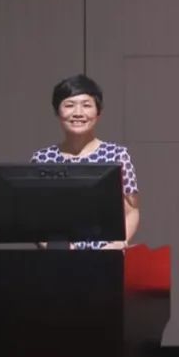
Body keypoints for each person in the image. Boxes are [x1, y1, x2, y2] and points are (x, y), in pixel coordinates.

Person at [30, 74, 140, 249]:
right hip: (59, 258)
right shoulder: (42, 159)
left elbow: (131, 210)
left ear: (98, 112)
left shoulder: (116, 155)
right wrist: (55, 247)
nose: (78, 113)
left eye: (86, 105)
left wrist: (118, 244)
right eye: (69, 105)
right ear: (57, 112)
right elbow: (33, 216)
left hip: (106, 257)